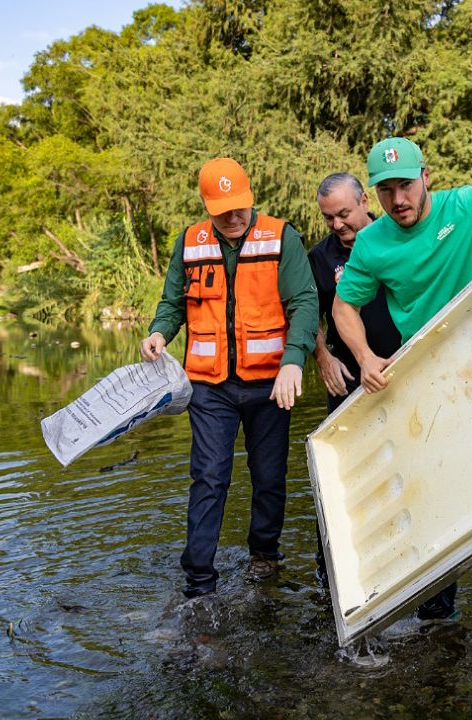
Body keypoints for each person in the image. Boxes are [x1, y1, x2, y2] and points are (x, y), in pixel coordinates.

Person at [332, 136, 472, 662]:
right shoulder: (372, 244)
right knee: (432, 490)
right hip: (426, 378)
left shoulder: (468, 205)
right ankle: (437, 613)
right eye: (386, 191)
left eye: (406, 185)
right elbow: (344, 308)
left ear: (426, 177)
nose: (398, 199)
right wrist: (364, 357)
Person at [140, 157, 319, 598]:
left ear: (250, 197)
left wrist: (294, 359)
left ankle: (265, 555)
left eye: (240, 206)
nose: (234, 217)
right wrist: (159, 333)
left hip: (271, 382)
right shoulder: (190, 242)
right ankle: (199, 579)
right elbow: (173, 304)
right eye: (223, 211)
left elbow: (304, 302)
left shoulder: (282, 237)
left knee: (269, 476)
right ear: (206, 206)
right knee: (209, 476)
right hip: (209, 385)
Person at [306, 172, 402, 586]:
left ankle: (402, 562)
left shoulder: (397, 236)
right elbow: (308, 314)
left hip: (402, 369)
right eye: (328, 218)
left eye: (344, 213)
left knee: (401, 463)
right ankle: (332, 573)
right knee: (345, 475)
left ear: (365, 201)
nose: (337, 224)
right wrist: (323, 357)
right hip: (347, 379)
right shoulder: (320, 258)